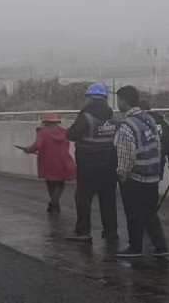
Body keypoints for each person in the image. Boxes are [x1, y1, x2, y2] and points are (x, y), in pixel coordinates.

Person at [113, 86, 169, 258]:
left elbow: (126, 156)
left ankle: (135, 247)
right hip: (152, 175)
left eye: (118, 100)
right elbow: (158, 147)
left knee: (134, 214)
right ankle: (161, 247)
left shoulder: (126, 125)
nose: (117, 103)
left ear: (124, 101)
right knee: (150, 213)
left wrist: (121, 175)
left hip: (135, 177)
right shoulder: (149, 119)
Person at [65, 83, 121, 243]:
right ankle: (111, 232)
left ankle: (83, 231)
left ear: (89, 98)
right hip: (109, 162)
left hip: (88, 164)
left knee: (83, 198)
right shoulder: (113, 116)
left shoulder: (85, 116)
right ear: (104, 98)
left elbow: (72, 135)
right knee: (108, 199)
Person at [21, 113, 77, 214]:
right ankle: (54, 202)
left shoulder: (42, 132)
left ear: (45, 122)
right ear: (57, 122)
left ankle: (53, 202)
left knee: (50, 182)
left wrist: (28, 150)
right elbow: (67, 145)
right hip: (63, 160)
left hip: (47, 162)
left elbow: (36, 146)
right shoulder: (64, 131)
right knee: (60, 183)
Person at [139, 101, 169, 181]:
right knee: (153, 187)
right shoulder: (162, 123)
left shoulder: (136, 123)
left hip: (140, 164)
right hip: (158, 162)